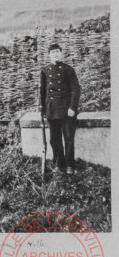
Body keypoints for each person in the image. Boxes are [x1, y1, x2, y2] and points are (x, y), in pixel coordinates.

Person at [40, 43, 81, 174]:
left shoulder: (68, 70)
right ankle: (59, 163)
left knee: (68, 138)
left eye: (57, 51)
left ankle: (70, 165)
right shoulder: (45, 71)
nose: (55, 54)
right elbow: (42, 92)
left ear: (61, 53)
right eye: (53, 52)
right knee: (54, 139)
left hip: (66, 110)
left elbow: (76, 89)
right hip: (51, 110)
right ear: (49, 55)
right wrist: (42, 110)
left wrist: (72, 107)